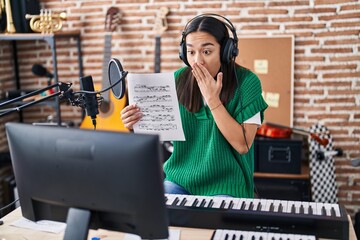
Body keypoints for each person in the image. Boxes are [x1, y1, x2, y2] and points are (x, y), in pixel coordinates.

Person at [121, 14, 268, 198]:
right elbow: (158, 134)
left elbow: (243, 145)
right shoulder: (177, 80)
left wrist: (213, 100)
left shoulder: (247, 82)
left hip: (227, 185)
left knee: (215, 223)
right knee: (150, 209)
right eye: (191, 52)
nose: (198, 61)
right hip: (181, 179)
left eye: (206, 52)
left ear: (226, 51)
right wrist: (134, 124)